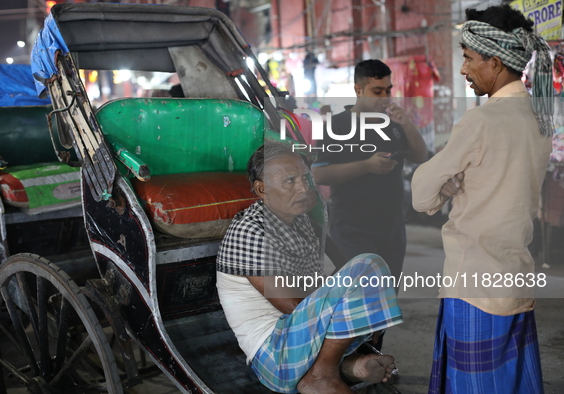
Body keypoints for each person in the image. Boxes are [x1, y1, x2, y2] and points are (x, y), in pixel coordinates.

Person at [411, 5, 552, 393]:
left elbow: (421, 193)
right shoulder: (539, 119)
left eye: (469, 59)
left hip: (474, 282)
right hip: (516, 276)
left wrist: (445, 184)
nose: (463, 69)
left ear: (495, 62)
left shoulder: (480, 121)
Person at [216, 142, 403, 394]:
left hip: (304, 341)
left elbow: (340, 271)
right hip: (275, 357)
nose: (303, 188)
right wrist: (362, 310)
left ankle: (343, 365)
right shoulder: (250, 231)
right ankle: (322, 374)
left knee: (369, 273)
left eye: (305, 178)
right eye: (290, 181)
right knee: (367, 266)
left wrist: (371, 309)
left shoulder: (300, 221)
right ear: (262, 189)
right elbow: (293, 306)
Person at [312, 59, 428, 282]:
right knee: (359, 294)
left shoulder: (394, 124)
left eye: (388, 90)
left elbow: (420, 156)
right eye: (377, 91)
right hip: (352, 228)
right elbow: (320, 174)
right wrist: (367, 166)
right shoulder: (337, 125)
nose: (385, 97)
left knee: (387, 296)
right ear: (358, 89)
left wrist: (407, 124)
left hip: (392, 226)